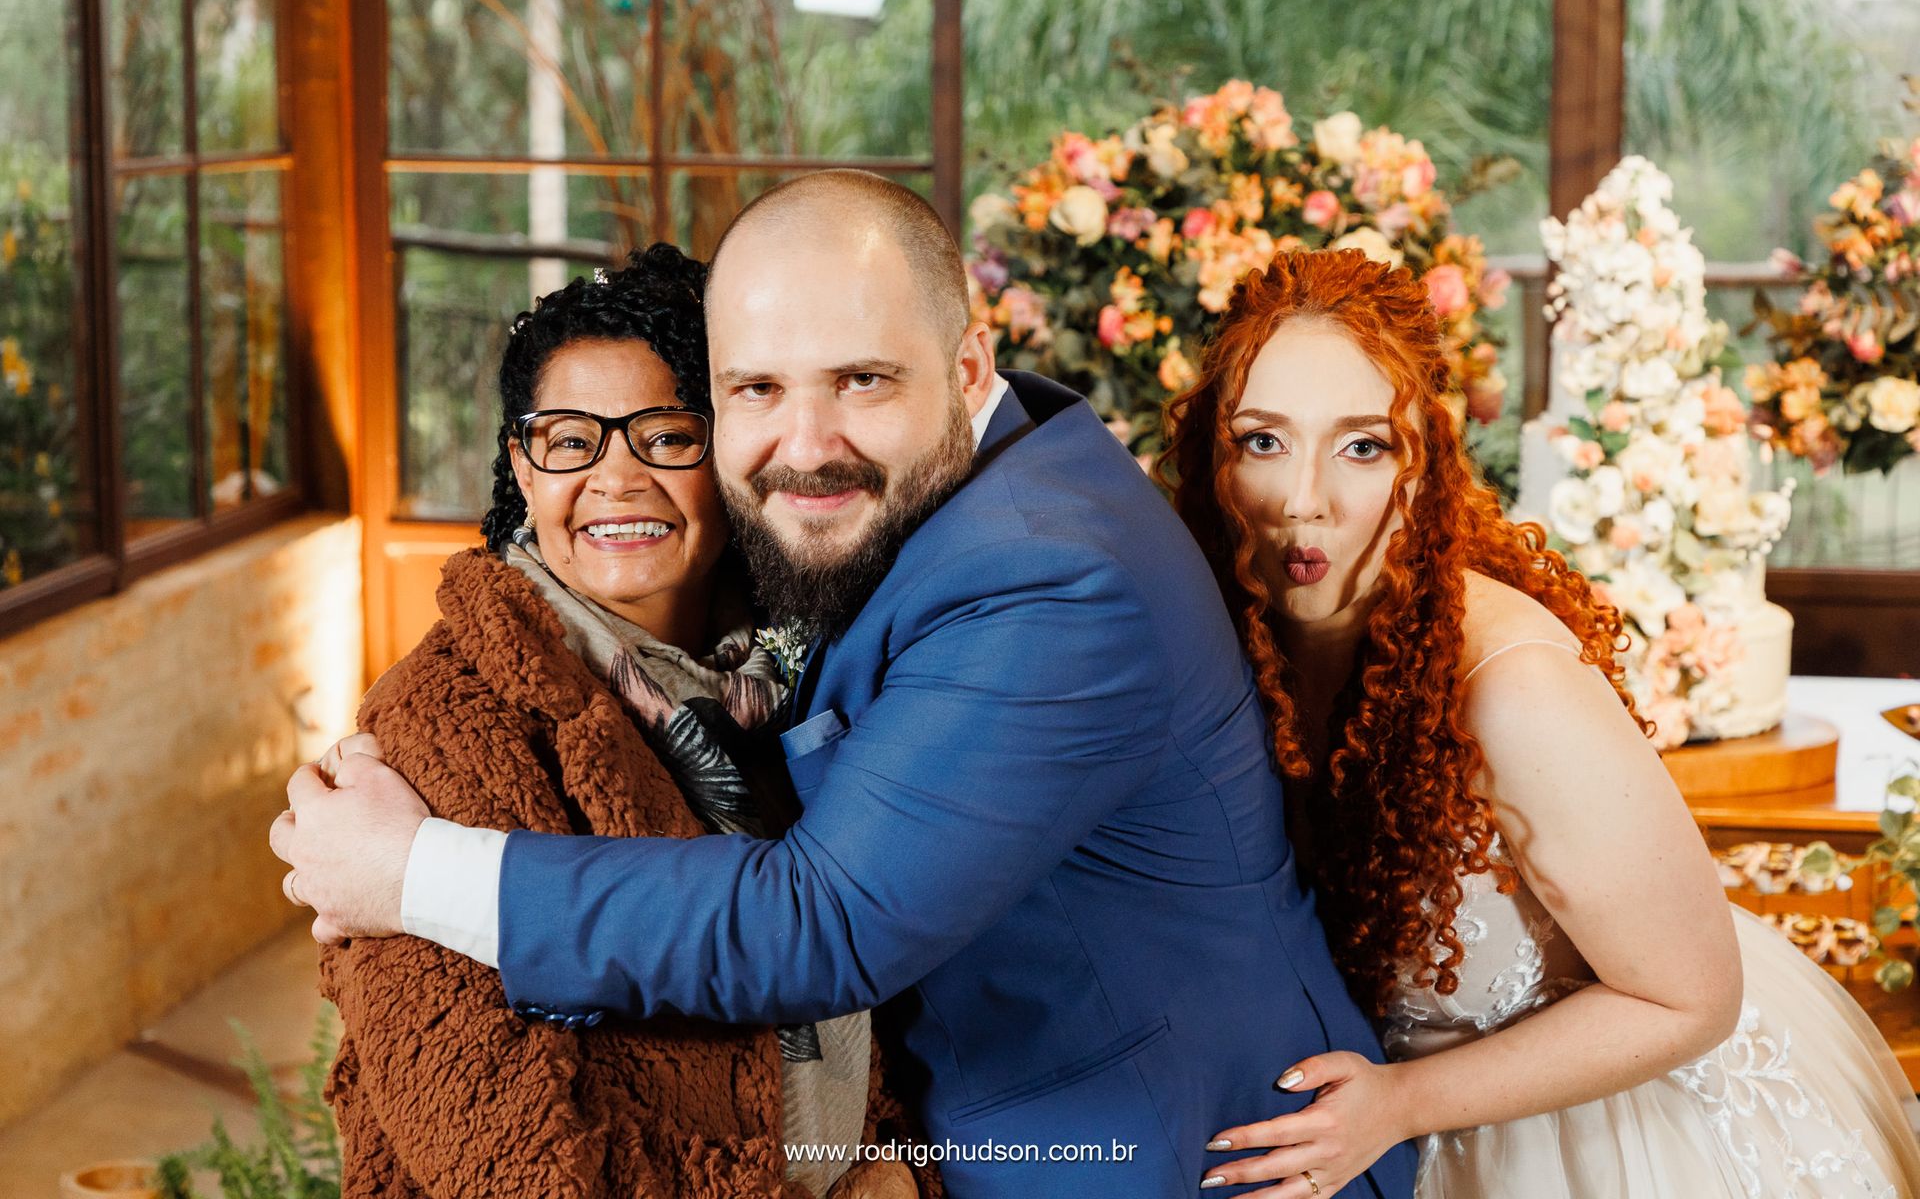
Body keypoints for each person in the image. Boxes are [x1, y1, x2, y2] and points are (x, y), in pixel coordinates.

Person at [271, 172, 1417, 1198]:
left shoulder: (1052, 580)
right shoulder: (919, 505)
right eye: (756, 389)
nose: (805, 442)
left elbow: (817, 923)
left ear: (968, 368)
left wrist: (408, 868)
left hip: (1172, 1152)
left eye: (860, 379)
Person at [1162, 247, 1920, 1198]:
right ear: (1209, 454)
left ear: (1424, 464)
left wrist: (1400, 1104)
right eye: (1262, 441)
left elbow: (1691, 998)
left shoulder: (1512, 688)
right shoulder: (1212, 627)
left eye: (1363, 445)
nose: (1302, 501)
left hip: (1609, 1130)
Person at [315, 245, 923, 1199]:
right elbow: (486, 1142)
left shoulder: (795, 678)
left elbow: (867, 966)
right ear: (523, 463)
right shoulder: (446, 715)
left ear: (727, 452)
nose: (616, 477)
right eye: (569, 439)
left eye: (667, 435)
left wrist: (897, 1172)